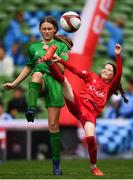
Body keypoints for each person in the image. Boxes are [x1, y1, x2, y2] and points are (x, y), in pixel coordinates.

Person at [41, 44, 126, 176]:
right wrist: (60, 60)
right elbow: (75, 70)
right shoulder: (91, 76)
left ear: (113, 76)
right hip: (78, 103)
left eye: (109, 70)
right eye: (105, 68)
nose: (105, 70)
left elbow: (119, 73)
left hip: (90, 114)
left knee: (90, 138)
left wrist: (118, 54)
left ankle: (93, 167)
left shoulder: (111, 87)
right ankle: (50, 61)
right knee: (65, 82)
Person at [3, 16, 73, 175]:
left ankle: (56, 164)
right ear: (40, 30)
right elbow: (29, 68)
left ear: (55, 30)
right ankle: (31, 109)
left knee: (53, 126)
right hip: (40, 80)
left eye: (49, 28)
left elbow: (62, 71)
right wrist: (14, 83)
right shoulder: (34, 47)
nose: (46, 31)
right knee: (36, 74)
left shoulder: (61, 46)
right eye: (44, 28)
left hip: (55, 83)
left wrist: (53, 59)